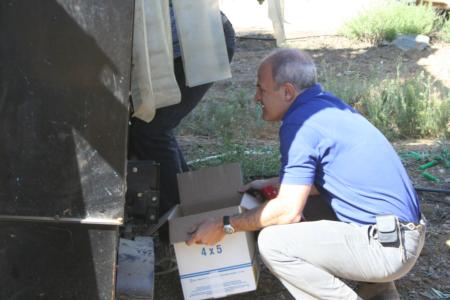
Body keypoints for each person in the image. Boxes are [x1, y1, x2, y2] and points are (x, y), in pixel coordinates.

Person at [186, 48, 425, 300]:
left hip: (388, 247)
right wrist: (274, 184)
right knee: (306, 203)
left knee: (273, 244)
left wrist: (225, 225)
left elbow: (288, 211)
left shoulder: (300, 123)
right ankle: (379, 291)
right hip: (399, 234)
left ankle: (376, 285)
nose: (256, 97)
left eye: (261, 89)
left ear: (287, 91)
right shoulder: (323, 106)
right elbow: (323, 182)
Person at [128, 10, 236, 223]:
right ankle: (191, 204)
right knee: (151, 125)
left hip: (198, 43)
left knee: (151, 127)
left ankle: (179, 221)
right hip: (184, 44)